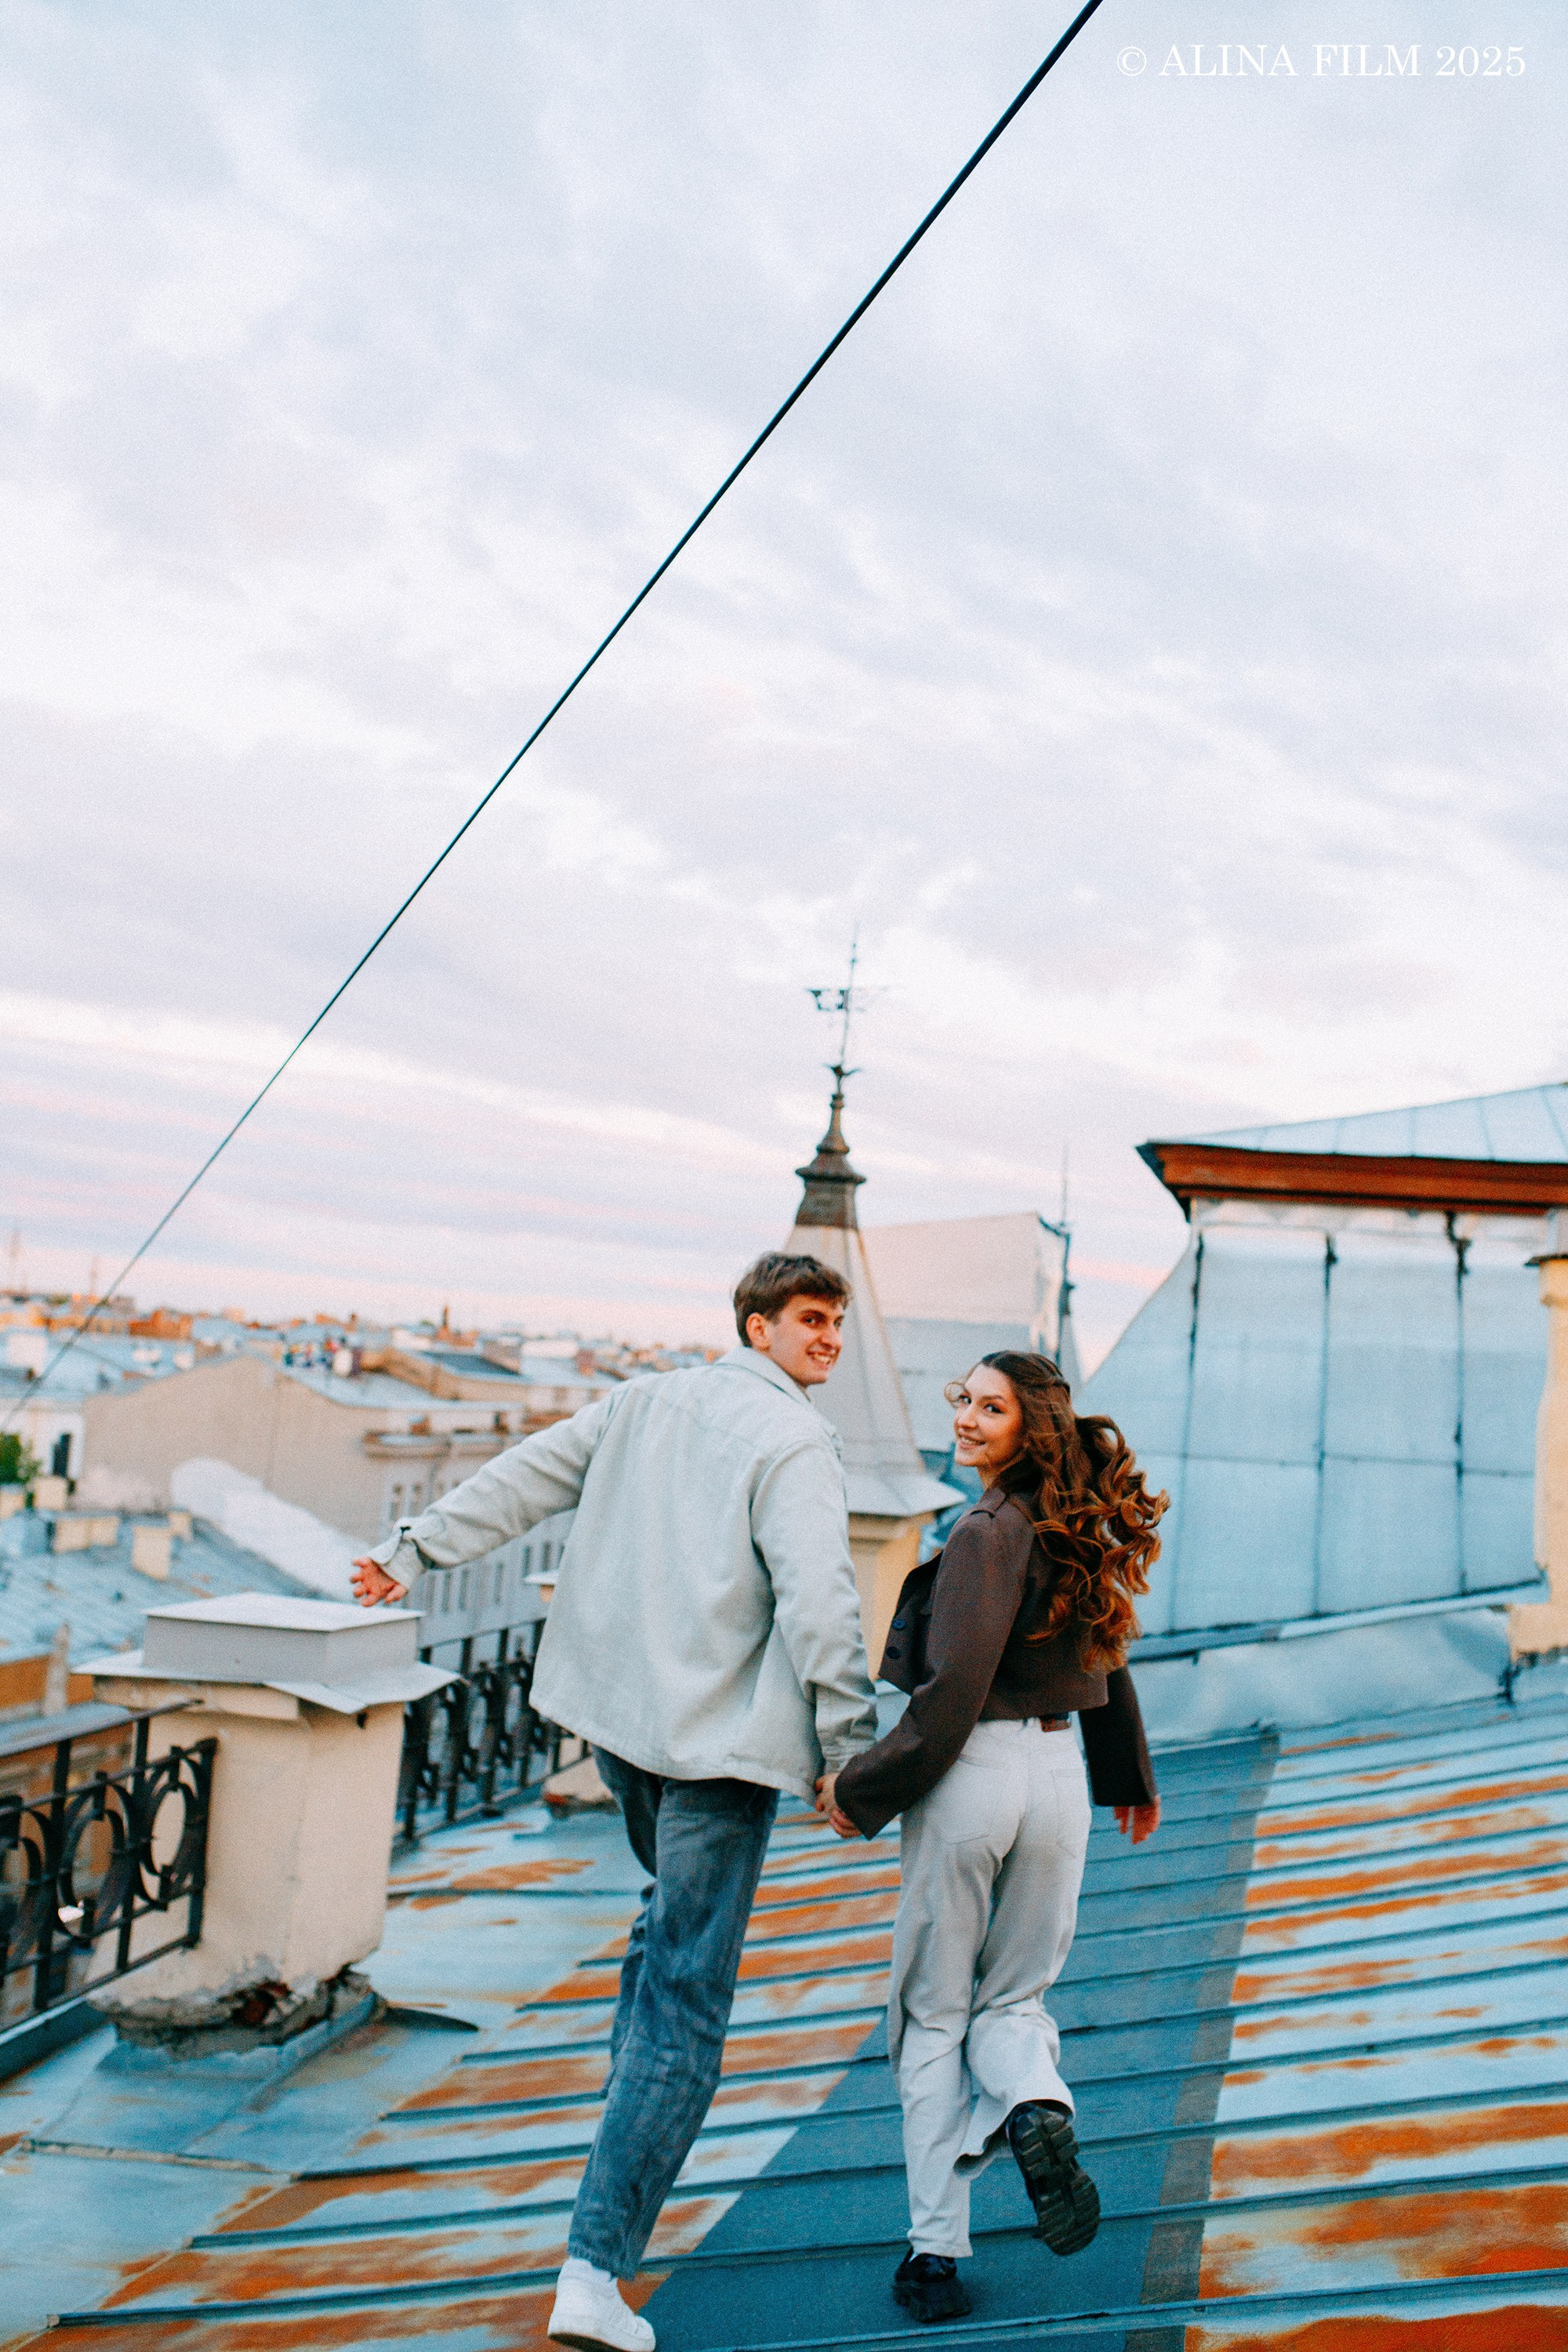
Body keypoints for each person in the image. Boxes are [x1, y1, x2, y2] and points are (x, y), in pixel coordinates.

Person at [351, 1254, 877, 2352]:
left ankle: (626, 2108)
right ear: (758, 1326)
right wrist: (849, 1749)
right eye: (811, 1319)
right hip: (716, 1756)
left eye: (837, 1321)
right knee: (689, 1998)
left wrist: (415, 1550)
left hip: (626, 1733)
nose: (829, 1338)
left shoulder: (646, 1399)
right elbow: (822, 1596)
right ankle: (595, 2270)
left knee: (664, 1939)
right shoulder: (793, 1443)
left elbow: (525, 1478)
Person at [817, 1352, 1164, 2326]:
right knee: (1014, 2000)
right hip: (1058, 1778)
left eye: (990, 1408)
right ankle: (1036, 2108)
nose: (966, 1419)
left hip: (971, 1775)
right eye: (962, 1401)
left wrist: (858, 1790)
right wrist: (1128, 1777)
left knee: (931, 2015)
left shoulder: (983, 1530)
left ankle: (934, 2253)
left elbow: (951, 1697)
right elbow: (1107, 1649)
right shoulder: (1073, 1521)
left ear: (1031, 1427)